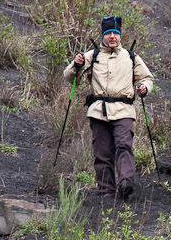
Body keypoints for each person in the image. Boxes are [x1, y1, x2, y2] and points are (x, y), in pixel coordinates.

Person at [63, 17, 154, 200]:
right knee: (102, 152)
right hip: (98, 110)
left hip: (123, 109)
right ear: (103, 35)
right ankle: (106, 192)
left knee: (123, 145)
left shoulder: (131, 57)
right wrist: (76, 64)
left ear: (120, 35)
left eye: (115, 33)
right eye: (108, 34)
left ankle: (126, 183)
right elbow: (72, 79)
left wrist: (144, 87)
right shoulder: (92, 56)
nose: (112, 37)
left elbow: (147, 78)